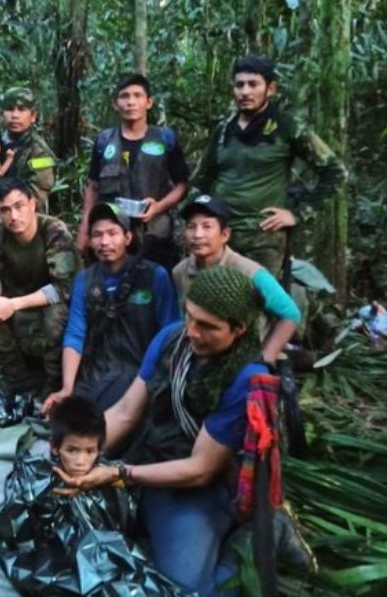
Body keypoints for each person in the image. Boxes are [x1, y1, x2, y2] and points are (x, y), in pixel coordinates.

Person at [53, 266, 270, 595]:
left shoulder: (245, 379)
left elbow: (199, 469)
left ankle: (247, 543)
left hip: (195, 485)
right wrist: (77, 450)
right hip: (149, 456)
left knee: (184, 588)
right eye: (190, 317)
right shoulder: (171, 338)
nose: (192, 332)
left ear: (238, 329)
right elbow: (126, 412)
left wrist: (118, 473)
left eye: (207, 326)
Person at [0, 396, 188, 596]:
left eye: (89, 451)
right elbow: (14, 537)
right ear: (55, 447)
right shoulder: (39, 482)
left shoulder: (108, 475)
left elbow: (127, 509)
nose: (80, 461)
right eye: (72, 450)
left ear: (100, 450)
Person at [194, 56, 348, 276]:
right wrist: (198, 222)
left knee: (259, 304)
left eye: (253, 84)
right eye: (239, 85)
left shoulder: (287, 127)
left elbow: (336, 173)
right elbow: (201, 180)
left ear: (271, 88)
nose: (245, 92)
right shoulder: (223, 129)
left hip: (263, 237)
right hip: (221, 235)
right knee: (212, 301)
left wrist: (297, 214)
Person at [44, 202, 179, 413]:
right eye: (97, 235)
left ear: (127, 238)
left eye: (112, 233)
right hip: (97, 373)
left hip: (140, 374)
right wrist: (67, 388)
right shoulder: (85, 280)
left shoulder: (154, 275)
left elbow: (171, 331)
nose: (104, 241)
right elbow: (75, 333)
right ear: (89, 240)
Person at [0, 178, 79, 394]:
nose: (14, 216)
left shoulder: (54, 231)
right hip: (17, 296)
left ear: (32, 204)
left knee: (56, 316)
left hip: (52, 301)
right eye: (5, 210)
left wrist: (13, 305)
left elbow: (63, 287)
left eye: (19, 206)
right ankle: (18, 377)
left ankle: (54, 382)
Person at [77, 73, 190, 271]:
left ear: (149, 102)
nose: (131, 102)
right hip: (111, 235)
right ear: (115, 103)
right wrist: (85, 228)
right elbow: (93, 187)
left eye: (138, 96)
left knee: (155, 287)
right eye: (125, 96)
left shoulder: (165, 139)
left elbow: (182, 185)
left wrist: (159, 206)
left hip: (154, 234)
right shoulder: (104, 142)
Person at [174, 195, 301, 363]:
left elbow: (290, 314)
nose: (198, 235)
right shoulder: (180, 271)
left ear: (224, 234)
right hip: (200, 353)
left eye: (207, 227)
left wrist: (265, 358)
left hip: (243, 358)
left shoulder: (249, 272)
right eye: (191, 227)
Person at [0, 87, 56, 213]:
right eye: (9, 109)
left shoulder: (41, 154)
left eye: (21, 110)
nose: (15, 115)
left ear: (33, 116)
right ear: (2, 115)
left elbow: (36, 199)